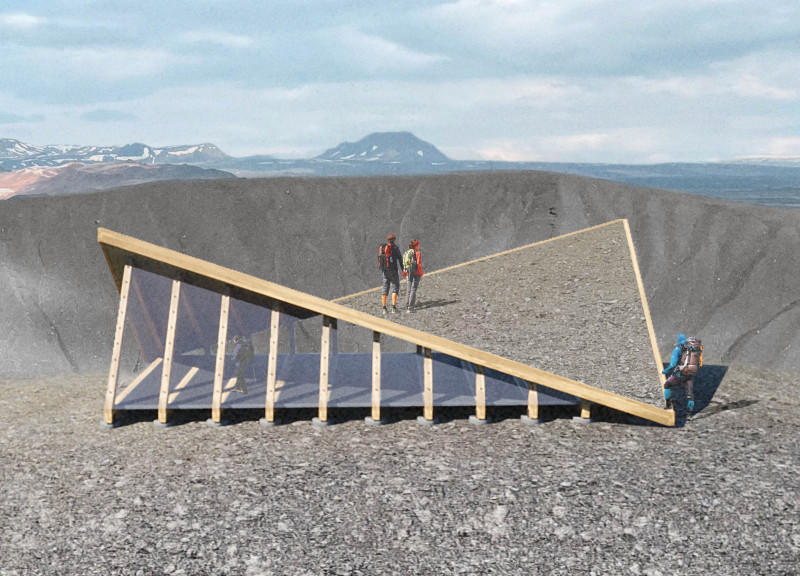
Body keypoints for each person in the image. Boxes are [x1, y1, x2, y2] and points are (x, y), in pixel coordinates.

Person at [661, 333, 697, 417]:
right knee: (690, 395)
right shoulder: (692, 349)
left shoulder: (677, 349)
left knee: (666, 385)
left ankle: (668, 405)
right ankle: (688, 415)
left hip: (679, 375)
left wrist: (664, 371)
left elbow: (673, 364)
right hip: (690, 375)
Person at [379, 233, 401, 314]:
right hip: (394, 270)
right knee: (395, 287)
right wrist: (403, 270)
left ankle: (384, 308)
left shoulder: (384, 248)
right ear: (394, 240)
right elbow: (400, 259)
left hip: (385, 270)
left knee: (385, 287)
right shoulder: (395, 248)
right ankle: (394, 307)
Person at [402, 238, 423, 313]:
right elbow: (418, 264)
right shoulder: (418, 253)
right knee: (413, 289)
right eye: (418, 245)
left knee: (409, 289)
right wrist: (421, 273)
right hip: (416, 273)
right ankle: (411, 308)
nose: (419, 246)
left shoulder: (408, 253)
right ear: (416, 246)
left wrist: (404, 273)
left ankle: (407, 305)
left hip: (409, 273)